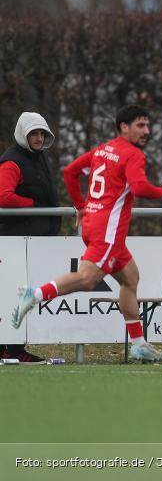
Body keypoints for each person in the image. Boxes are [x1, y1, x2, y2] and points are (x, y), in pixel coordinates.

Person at [10, 105, 162, 363]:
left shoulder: (103, 149)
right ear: (124, 126)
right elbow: (140, 187)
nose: (146, 131)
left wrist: (79, 206)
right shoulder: (133, 155)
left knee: (131, 278)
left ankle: (139, 344)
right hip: (107, 233)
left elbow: (70, 172)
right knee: (88, 279)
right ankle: (35, 295)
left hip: (96, 226)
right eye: (140, 125)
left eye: (147, 125)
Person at [0, 112, 61, 362]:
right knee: (12, 295)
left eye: (41, 134)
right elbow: (3, 196)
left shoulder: (38, 157)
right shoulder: (12, 162)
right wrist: (34, 204)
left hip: (32, 240)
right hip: (13, 240)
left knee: (22, 295)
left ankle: (14, 349)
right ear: (23, 135)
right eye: (33, 134)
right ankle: (10, 350)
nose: (38, 138)